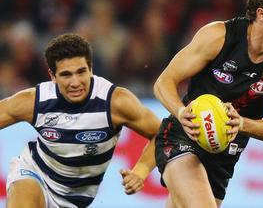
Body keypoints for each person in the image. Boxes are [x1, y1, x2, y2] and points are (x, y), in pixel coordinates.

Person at [154, 0, 263, 208]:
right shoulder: (218, 36)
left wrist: (241, 124)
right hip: (184, 134)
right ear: (262, 14)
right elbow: (164, 82)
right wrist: (181, 112)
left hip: (225, 153)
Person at [0, 33, 160, 208]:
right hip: (35, 173)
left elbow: (161, 133)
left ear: (90, 68)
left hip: (76, 200)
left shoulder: (115, 102)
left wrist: (141, 171)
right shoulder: (34, 101)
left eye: (81, 72)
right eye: (66, 75)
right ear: (52, 76)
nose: (75, 82)